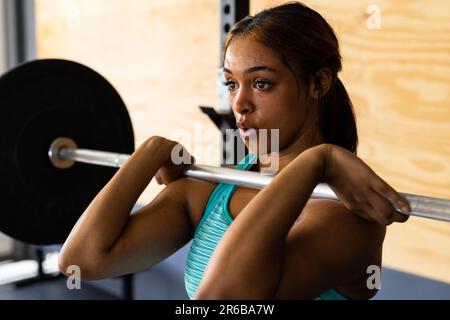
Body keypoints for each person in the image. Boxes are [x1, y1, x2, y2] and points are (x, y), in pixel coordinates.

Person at [58, 2, 411, 300]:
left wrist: (317, 162)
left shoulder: (345, 216)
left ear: (318, 83)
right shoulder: (212, 190)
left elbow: (221, 300)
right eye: (231, 83)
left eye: (261, 83)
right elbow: (82, 260)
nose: (239, 103)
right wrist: (150, 151)